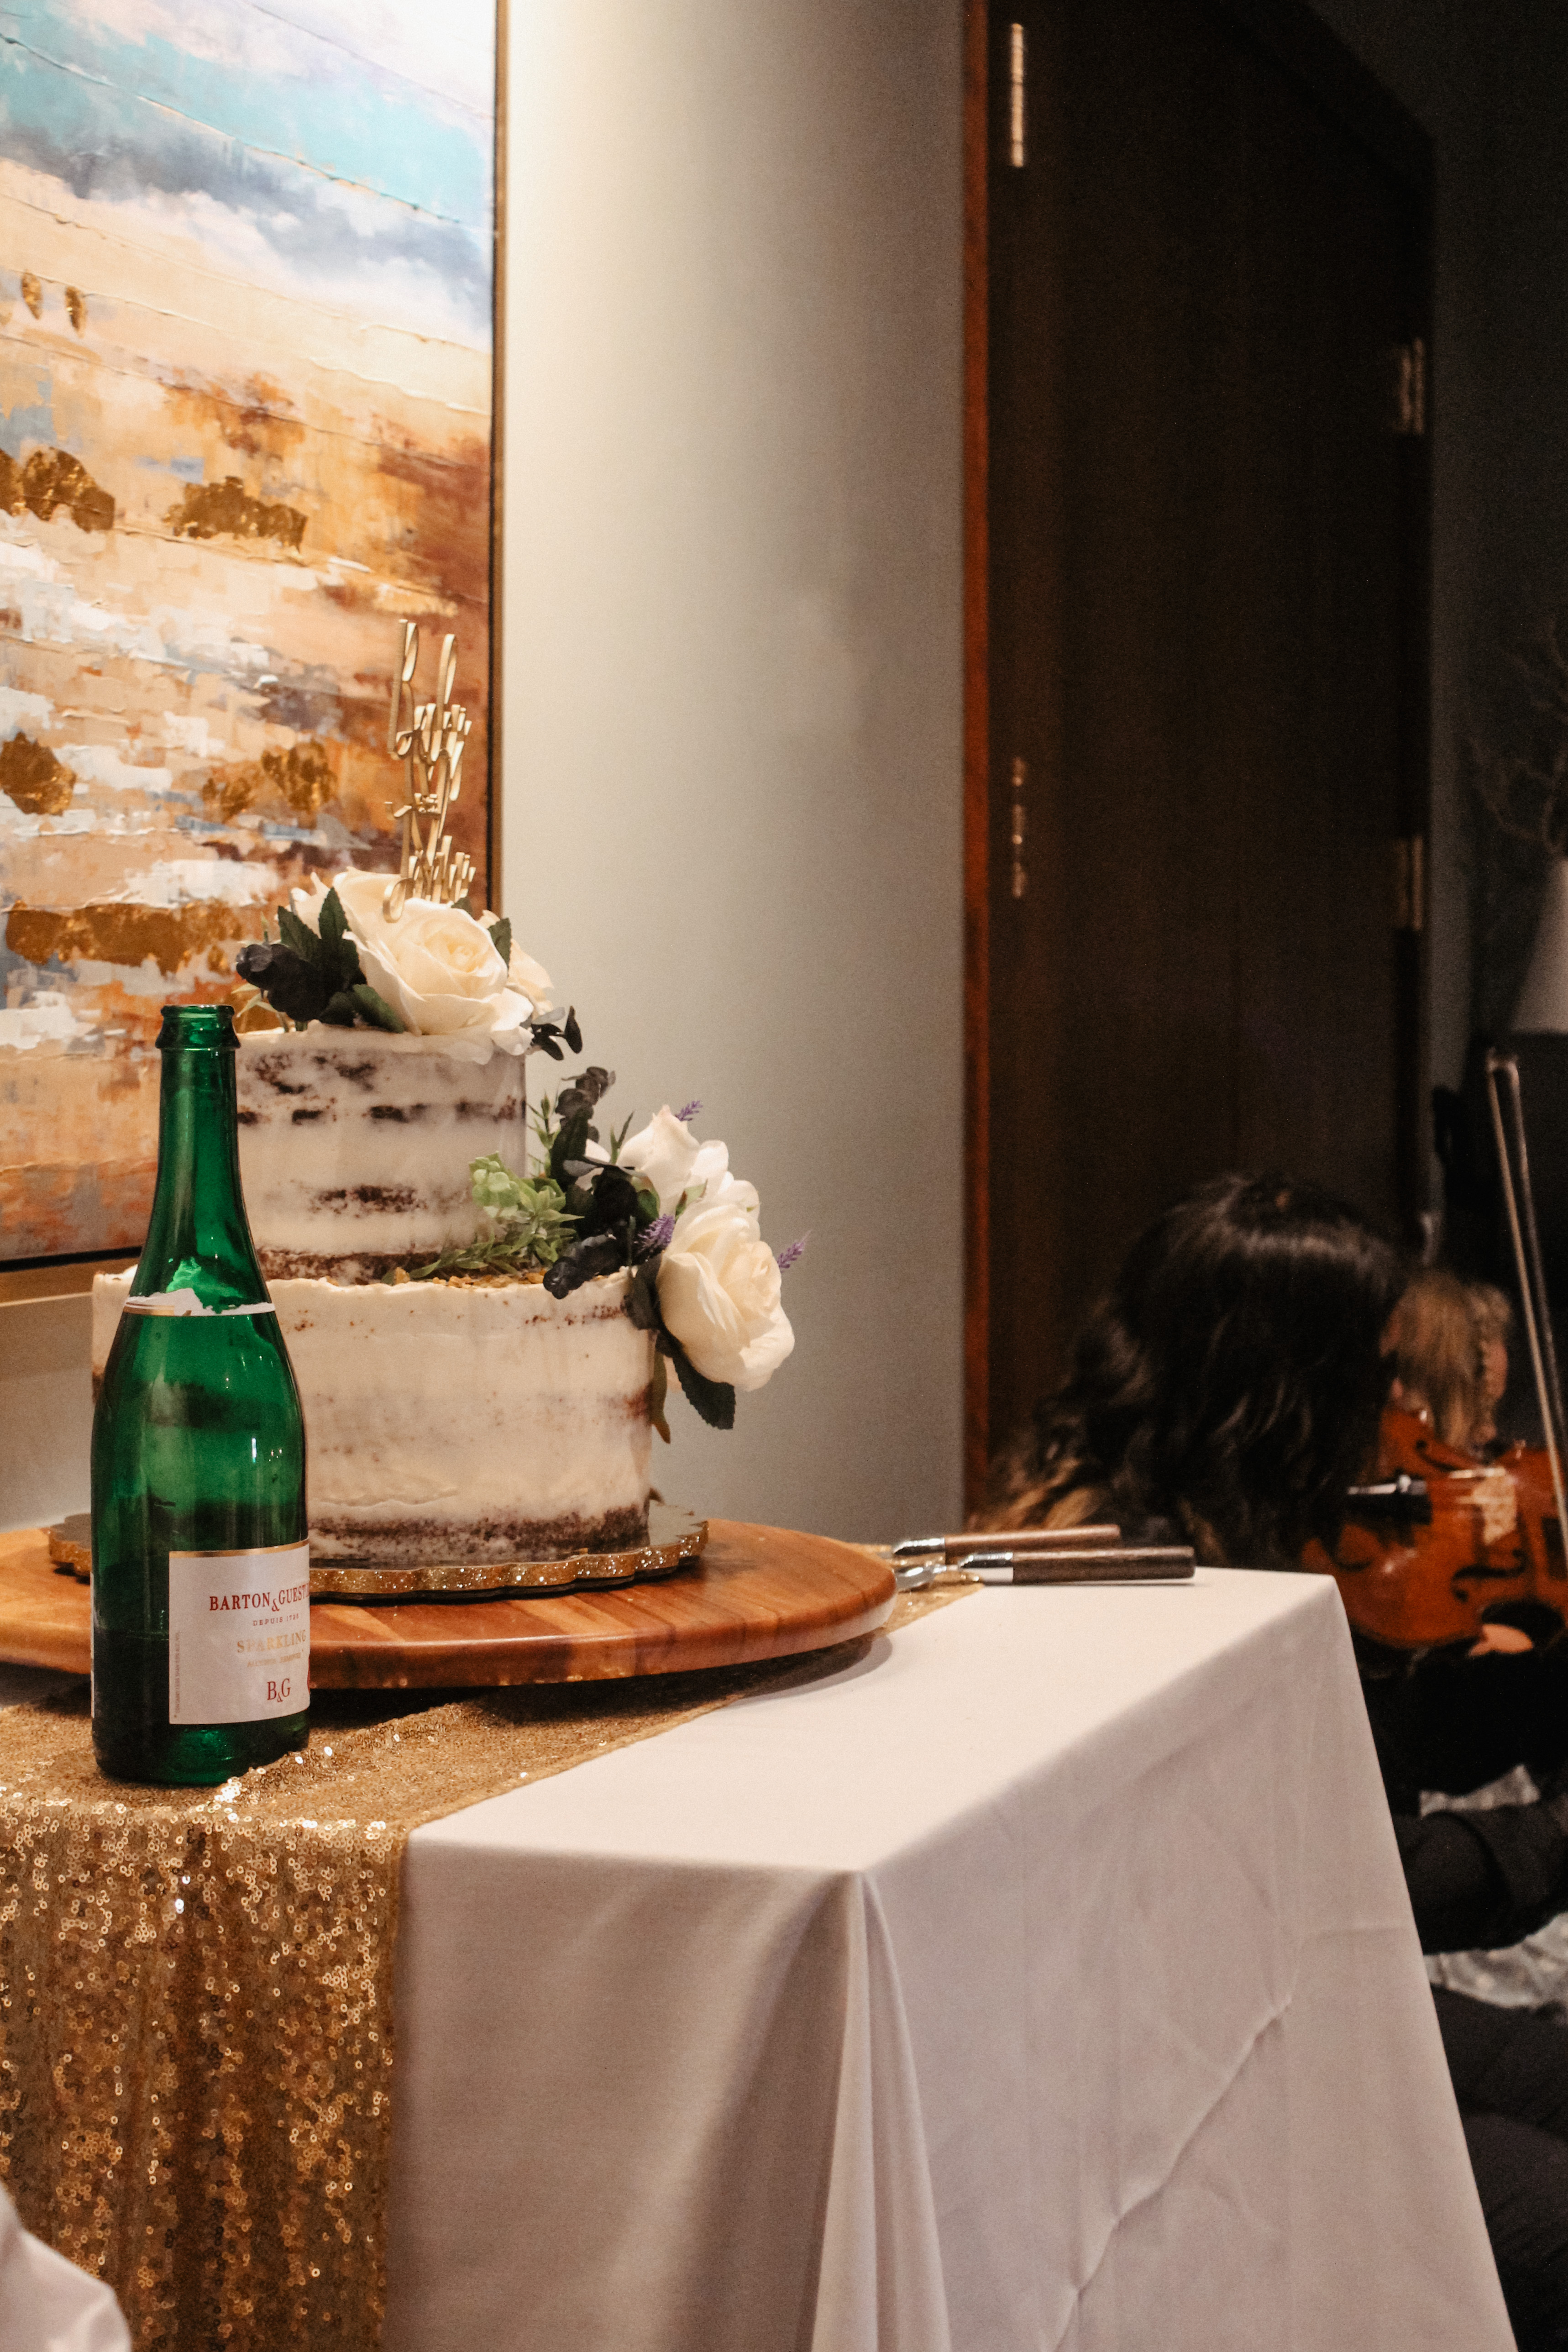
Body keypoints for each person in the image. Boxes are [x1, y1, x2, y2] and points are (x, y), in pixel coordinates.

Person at [981, 1173, 1568, 2350]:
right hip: (1198, 2081)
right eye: (1377, 1370)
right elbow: (1351, 1882)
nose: (1404, 1410)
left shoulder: (1248, 1523)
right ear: (1282, 1386)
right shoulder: (1138, 1583)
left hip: (1303, 2007)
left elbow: (1388, 1738)